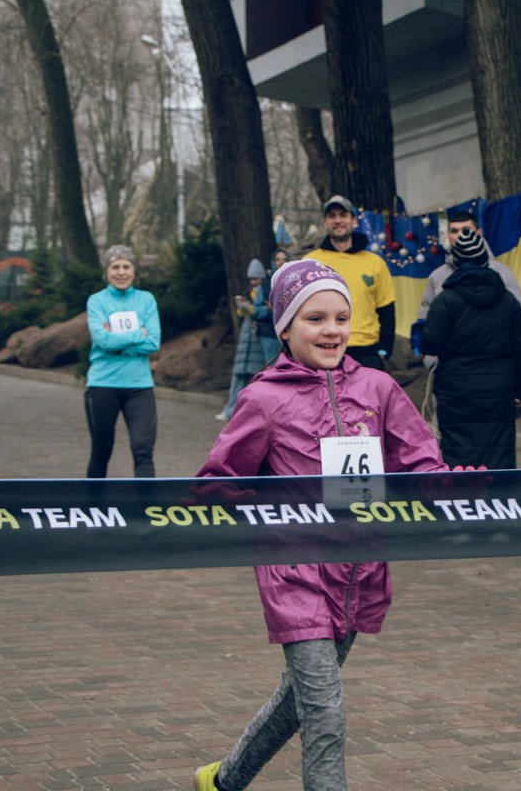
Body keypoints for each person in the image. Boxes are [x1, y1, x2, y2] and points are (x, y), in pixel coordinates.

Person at [192, 259, 449, 791]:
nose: (331, 330)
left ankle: (223, 780)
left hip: (358, 569)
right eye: (315, 319)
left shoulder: (378, 388)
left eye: (340, 318)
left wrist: (456, 486)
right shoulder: (263, 398)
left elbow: (420, 462)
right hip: (293, 570)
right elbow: (220, 478)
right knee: (326, 712)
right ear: (285, 328)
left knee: (302, 699)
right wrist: (233, 501)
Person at [420, 228, 521, 468]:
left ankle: (463, 492)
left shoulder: (445, 301)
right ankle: (500, 491)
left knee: (459, 454)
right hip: (498, 389)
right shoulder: (508, 301)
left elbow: (431, 343)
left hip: (455, 390)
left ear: (457, 263)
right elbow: (520, 350)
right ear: (485, 262)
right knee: (499, 452)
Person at [84, 245, 161, 477]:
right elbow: (102, 340)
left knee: (143, 450)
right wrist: (139, 334)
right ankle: (94, 500)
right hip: (102, 385)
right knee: (101, 450)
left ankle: (147, 501)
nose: (121, 272)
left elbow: (153, 342)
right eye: (115, 267)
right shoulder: (97, 301)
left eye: (126, 267)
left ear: (134, 271)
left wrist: (116, 344)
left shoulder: (146, 300)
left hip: (139, 387)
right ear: (106, 272)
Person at [303, 195, 396, 370]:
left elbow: (387, 312)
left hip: (367, 353)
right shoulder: (310, 263)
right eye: (332, 216)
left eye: (343, 215)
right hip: (324, 349)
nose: (338, 220)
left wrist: (384, 352)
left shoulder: (375, 263)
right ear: (325, 222)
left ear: (353, 221)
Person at [416, 208, 521, 321]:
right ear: (448, 235)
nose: (460, 235)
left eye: (466, 230)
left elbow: (516, 311)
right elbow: (425, 317)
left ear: (479, 233)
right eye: (454, 231)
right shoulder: (436, 276)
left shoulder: (500, 271)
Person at [217, 259, 274, 422]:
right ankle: (231, 409)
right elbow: (242, 316)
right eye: (251, 279)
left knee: (256, 375)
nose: (254, 282)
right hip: (246, 337)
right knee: (239, 375)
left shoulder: (266, 291)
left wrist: (250, 308)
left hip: (259, 338)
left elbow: (265, 313)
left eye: (256, 278)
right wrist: (242, 308)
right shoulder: (246, 293)